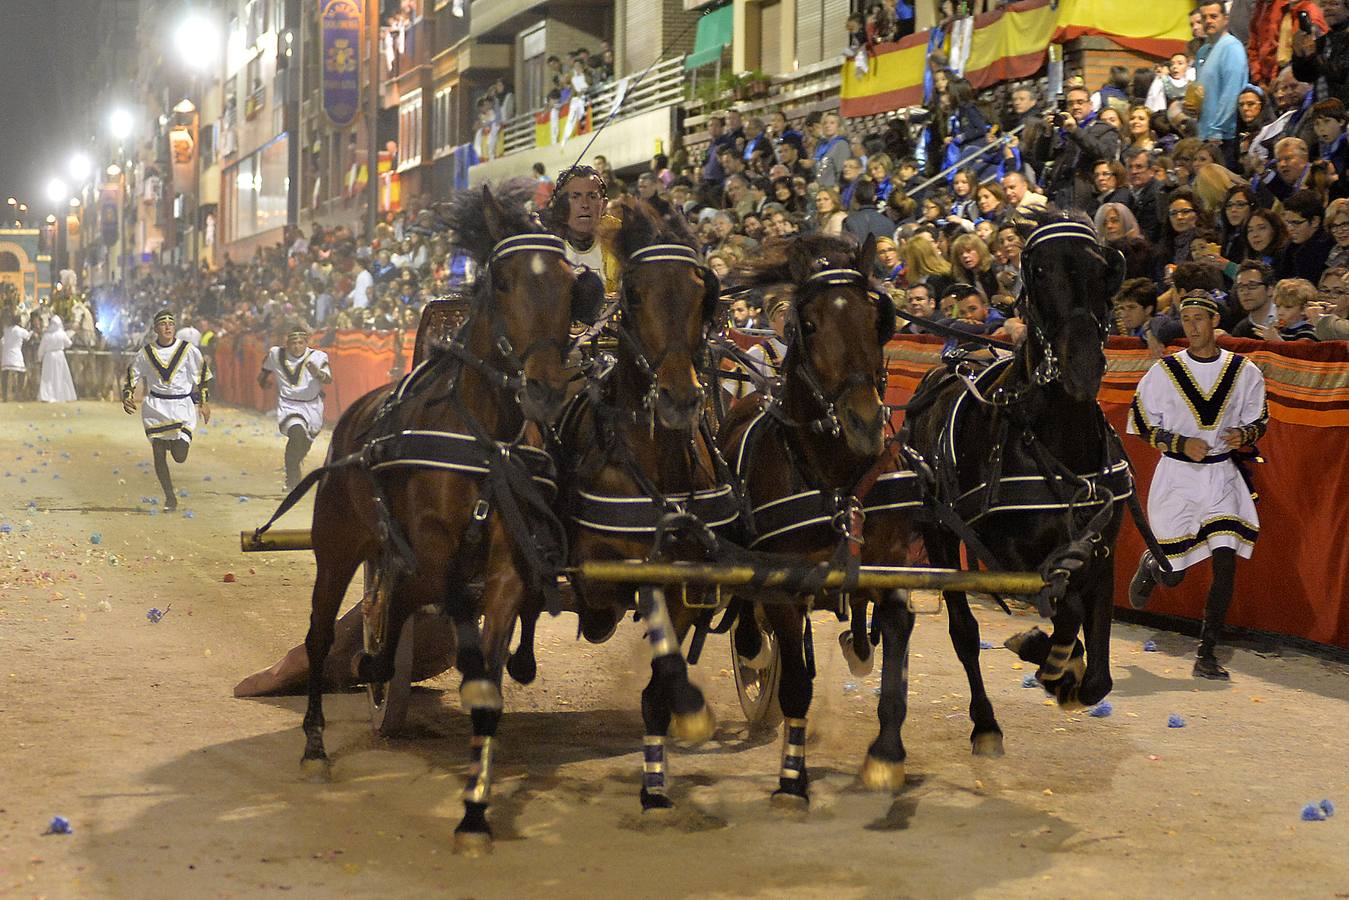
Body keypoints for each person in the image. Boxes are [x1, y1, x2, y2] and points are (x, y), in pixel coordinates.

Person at [1127, 291, 1267, 681]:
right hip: (1177, 479)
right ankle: (1155, 564)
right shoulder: (1164, 372)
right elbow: (1140, 423)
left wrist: (1245, 433)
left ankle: (1207, 654)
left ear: (1214, 323)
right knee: (1174, 574)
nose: (1191, 326)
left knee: (1225, 560)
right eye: (1185, 319)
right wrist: (1179, 444)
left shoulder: (1244, 371)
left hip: (1222, 477)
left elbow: (1260, 420)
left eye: (1198, 319)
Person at [121, 309, 213, 511]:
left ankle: (172, 442)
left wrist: (203, 402)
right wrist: (127, 395)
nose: (168, 327)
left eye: (171, 323)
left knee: (180, 456)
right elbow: (132, 375)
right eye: (163, 324)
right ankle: (170, 497)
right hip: (156, 407)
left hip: (181, 407)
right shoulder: (146, 353)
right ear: (156, 329)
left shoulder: (188, 350)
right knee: (158, 453)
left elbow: (202, 376)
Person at [259, 325, 332, 490]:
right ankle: (292, 481)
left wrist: (317, 373)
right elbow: (264, 371)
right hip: (289, 405)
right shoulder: (276, 354)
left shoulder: (318, 356)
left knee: (303, 446)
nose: (297, 347)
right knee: (296, 434)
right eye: (293, 343)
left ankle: (293, 466)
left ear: (306, 342)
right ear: (287, 343)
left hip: (313, 406)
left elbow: (328, 380)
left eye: (300, 343)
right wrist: (263, 382)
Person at [546, 165, 620, 294]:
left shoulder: (622, 246)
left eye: (592, 197)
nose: (584, 205)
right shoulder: (544, 249)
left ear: (603, 205)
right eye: (575, 197)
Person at [1193, 1, 1248, 168]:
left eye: (1213, 16)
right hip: (1204, 133)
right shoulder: (1203, 51)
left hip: (1223, 136)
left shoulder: (1232, 47)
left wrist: (1217, 129)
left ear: (1225, 19)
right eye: (1204, 17)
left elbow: (1232, 92)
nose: (1208, 21)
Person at [1228, 260, 1277, 338]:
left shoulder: (1287, 321)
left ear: (1270, 290)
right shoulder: (1241, 331)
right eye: (1240, 287)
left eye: (1252, 285)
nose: (1245, 292)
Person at [37, 316, 77, 403]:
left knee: (48, 377)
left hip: (49, 357)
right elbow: (69, 344)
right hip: (60, 356)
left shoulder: (46, 335)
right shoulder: (62, 334)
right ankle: (63, 394)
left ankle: (47, 395)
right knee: (61, 375)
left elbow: (41, 348)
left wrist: (39, 357)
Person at [1, 312, 32, 402]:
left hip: (6, 355)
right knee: (21, 373)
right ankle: (19, 394)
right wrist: (32, 330)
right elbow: (28, 336)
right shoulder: (20, 330)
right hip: (16, 355)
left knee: (4, 376)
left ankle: (5, 396)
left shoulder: (6, 329)